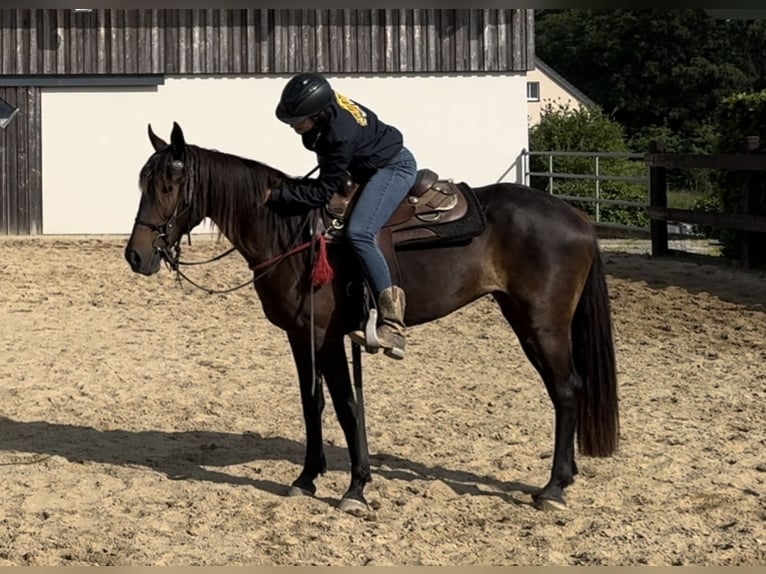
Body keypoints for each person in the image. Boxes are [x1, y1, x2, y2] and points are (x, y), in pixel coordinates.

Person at [268, 72, 417, 360]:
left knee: (359, 232)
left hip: (393, 168)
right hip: (365, 166)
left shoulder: (340, 133)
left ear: (319, 113)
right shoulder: (327, 110)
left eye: (298, 120)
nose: (294, 126)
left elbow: (322, 192)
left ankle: (393, 324)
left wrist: (278, 196)